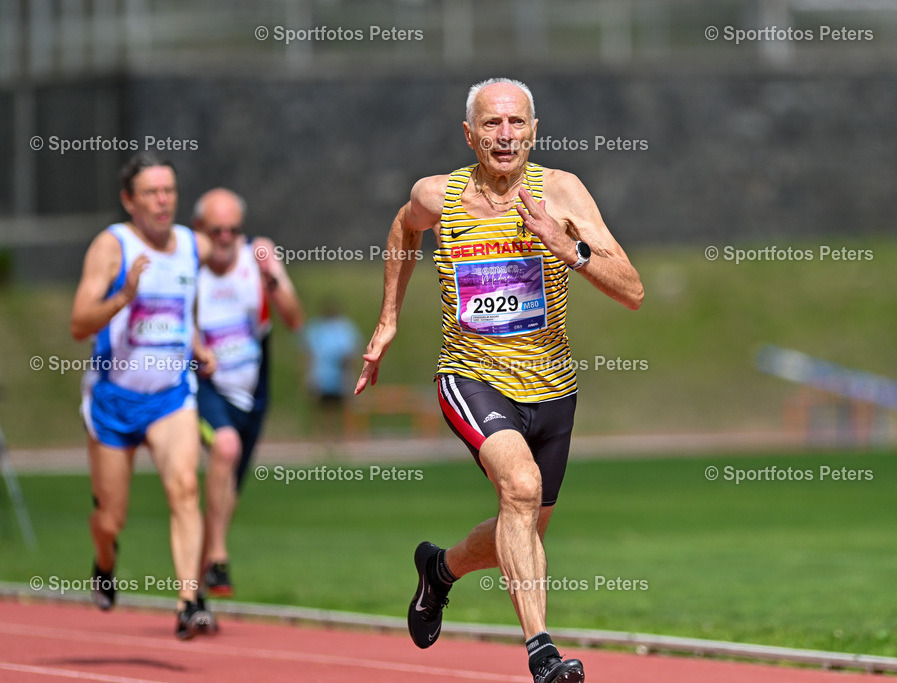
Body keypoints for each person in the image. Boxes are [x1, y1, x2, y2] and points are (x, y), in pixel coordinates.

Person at [354, 77, 644, 683]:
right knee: (519, 487)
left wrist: (567, 247)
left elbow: (632, 290)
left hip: (553, 386)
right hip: (472, 376)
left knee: (527, 522)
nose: (504, 135)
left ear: (534, 130)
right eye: (491, 124)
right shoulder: (438, 195)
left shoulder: (561, 193)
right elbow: (404, 229)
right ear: (469, 134)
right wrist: (387, 319)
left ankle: (439, 570)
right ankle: (541, 649)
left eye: (516, 123)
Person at [70, 153, 217, 639]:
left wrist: (198, 348)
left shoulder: (191, 247)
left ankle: (189, 601)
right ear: (129, 200)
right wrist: (122, 297)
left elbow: (179, 314)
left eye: (170, 191)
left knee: (184, 487)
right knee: (111, 518)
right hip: (114, 400)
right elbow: (78, 324)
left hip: (170, 395)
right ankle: (105, 561)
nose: (163, 201)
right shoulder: (112, 246)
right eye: (152, 193)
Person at [193, 188, 303, 597]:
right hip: (204, 388)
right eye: (215, 230)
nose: (225, 238)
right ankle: (218, 556)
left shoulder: (255, 257)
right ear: (198, 229)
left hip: (252, 393)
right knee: (225, 448)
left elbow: (294, 318)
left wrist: (271, 276)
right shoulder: (187, 266)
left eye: (232, 230)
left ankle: (198, 584)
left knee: (228, 494)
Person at [303, 300, 361, 405]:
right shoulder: (317, 328)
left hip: (341, 377)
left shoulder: (345, 328)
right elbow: (308, 354)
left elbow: (351, 354)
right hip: (321, 378)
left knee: (343, 408)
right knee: (324, 408)